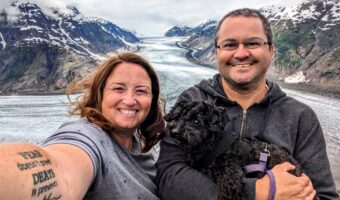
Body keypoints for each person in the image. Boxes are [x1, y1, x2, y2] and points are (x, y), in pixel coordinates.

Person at [156, 8, 339, 200]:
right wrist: (256, 192)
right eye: (229, 44)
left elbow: (324, 196)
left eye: (252, 43)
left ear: (271, 50)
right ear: (216, 51)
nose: (241, 53)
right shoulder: (192, 100)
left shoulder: (300, 117)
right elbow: (168, 178)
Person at [0, 51, 165, 199]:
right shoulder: (89, 136)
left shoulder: (144, 152)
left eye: (141, 91)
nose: (129, 100)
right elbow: (63, 173)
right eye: (118, 89)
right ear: (99, 95)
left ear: (152, 99)